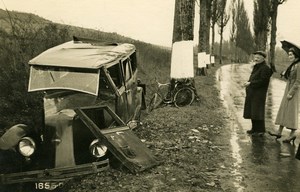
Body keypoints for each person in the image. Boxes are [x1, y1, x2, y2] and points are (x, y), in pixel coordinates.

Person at [269, 47, 300, 143]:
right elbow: (291, 77)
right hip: (288, 88)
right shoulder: (293, 65)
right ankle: (279, 132)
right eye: (289, 54)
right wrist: (284, 74)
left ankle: (292, 135)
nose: (289, 56)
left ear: (296, 55)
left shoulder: (299, 65)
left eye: (291, 55)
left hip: (294, 91)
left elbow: (298, 81)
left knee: (292, 112)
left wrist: (291, 93)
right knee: (283, 109)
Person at [243, 51, 273, 136]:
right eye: (255, 57)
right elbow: (253, 77)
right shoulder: (256, 66)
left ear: (263, 59)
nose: (255, 59)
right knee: (253, 110)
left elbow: (263, 81)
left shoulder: (265, 68)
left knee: (258, 111)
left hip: (259, 93)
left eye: (258, 58)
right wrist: (249, 82)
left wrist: (251, 83)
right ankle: (254, 128)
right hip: (253, 92)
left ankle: (260, 130)